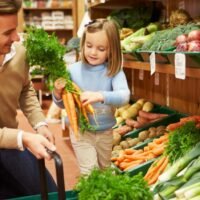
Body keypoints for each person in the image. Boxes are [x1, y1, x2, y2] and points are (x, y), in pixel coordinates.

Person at [53, 18, 130, 174]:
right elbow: (63, 104)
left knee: (105, 171)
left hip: (106, 132)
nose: (93, 52)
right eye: (89, 46)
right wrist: (57, 93)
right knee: (90, 173)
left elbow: (124, 96)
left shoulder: (114, 71)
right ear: (83, 44)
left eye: (101, 49)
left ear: (111, 50)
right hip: (81, 132)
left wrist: (100, 96)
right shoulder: (72, 71)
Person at [0, 0, 57, 198]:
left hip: (9, 144)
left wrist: (40, 124)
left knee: (49, 192)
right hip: (13, 139)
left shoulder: (19, 53)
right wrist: (23, 138)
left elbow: (25, 89)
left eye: (15, 29)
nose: (16, 37)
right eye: (7, 33)